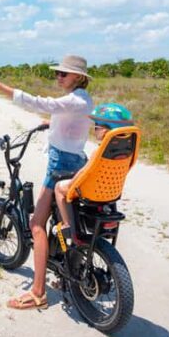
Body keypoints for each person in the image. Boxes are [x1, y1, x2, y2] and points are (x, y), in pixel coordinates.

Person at [0, 55, 93, 310]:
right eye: (58, 73)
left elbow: (39, 102)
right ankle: (65, 273)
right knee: (58, 218)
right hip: (76, 160)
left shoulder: (72, 99)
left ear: (78, 77)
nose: (59, 77)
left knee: (36, 224)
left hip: (60, 164)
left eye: (64, 74)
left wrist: (0, 87)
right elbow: (73, 121)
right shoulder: (84, 100)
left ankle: (38, 292)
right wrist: (51, 122)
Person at [54, 103, 134, 240]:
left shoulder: (99, 152)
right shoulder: (126, 152)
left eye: (96, 126)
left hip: (91, 190)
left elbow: (84, 172)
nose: (94, 129)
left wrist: (72, 185)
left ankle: (67, 225)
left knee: (59, 188)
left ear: (104, 131)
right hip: (112, 191)